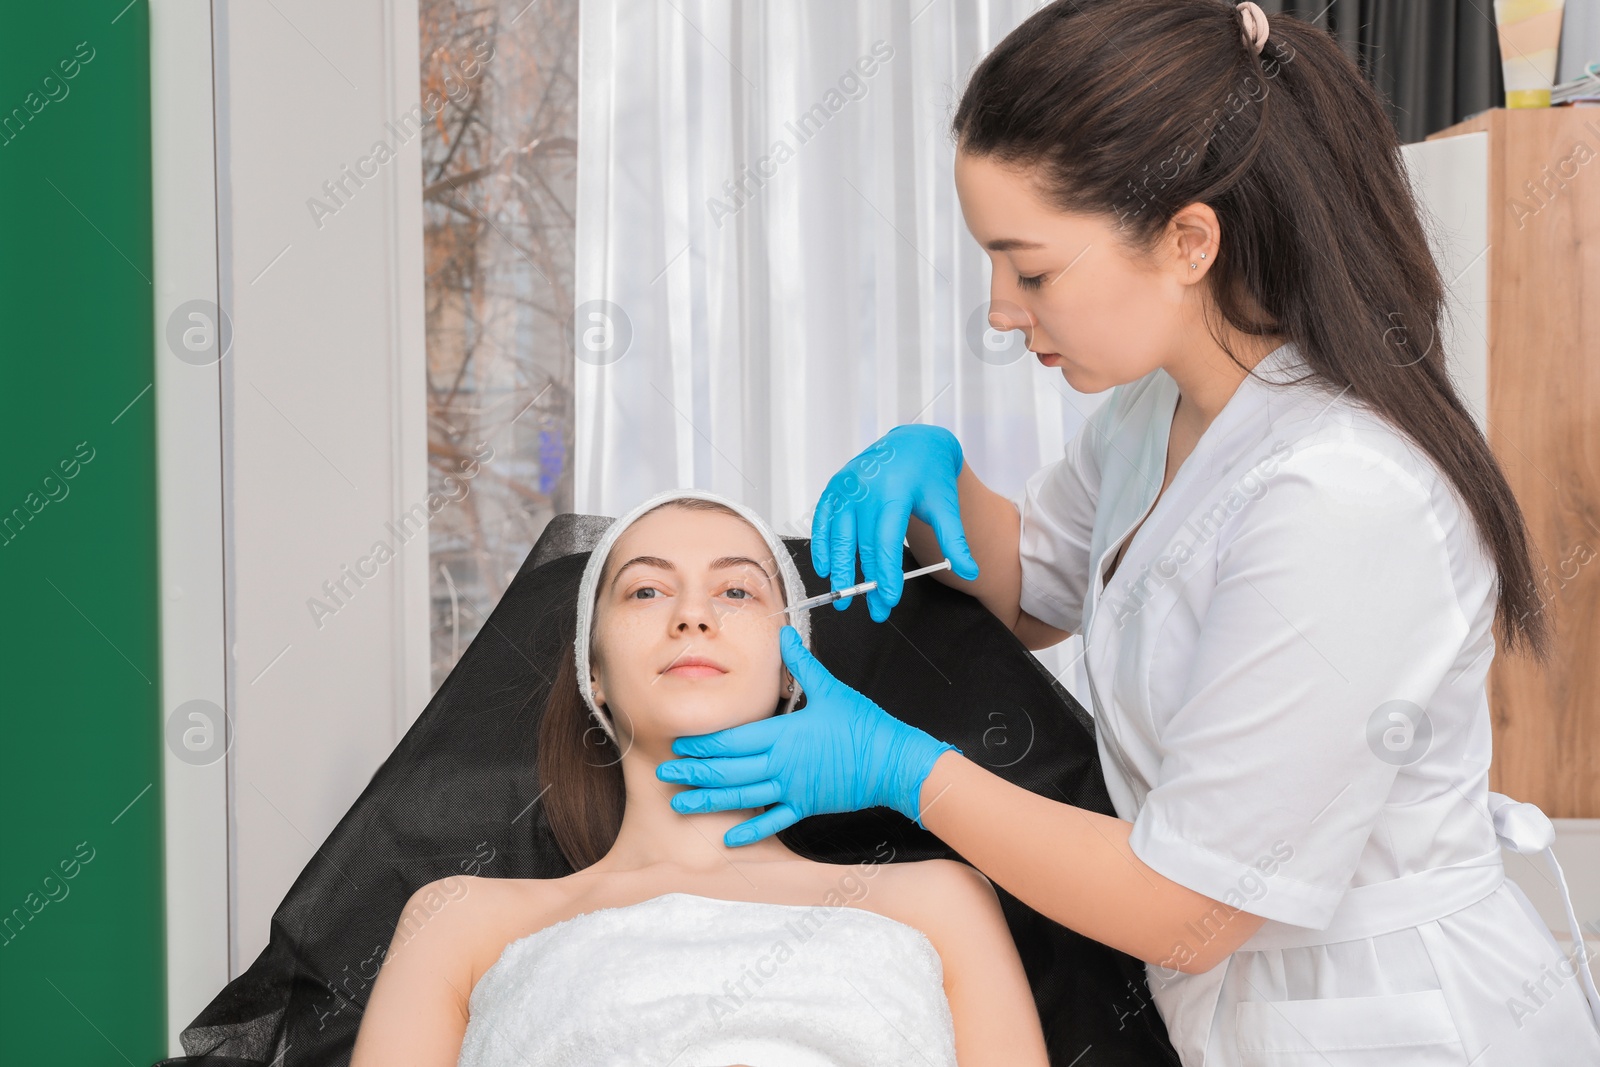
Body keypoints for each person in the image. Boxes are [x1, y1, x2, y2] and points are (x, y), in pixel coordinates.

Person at [653, 2, 1600, 1064]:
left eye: (1032, 268)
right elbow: (1039, 588)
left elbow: (1184, 904)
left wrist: (902, 767)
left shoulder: (1341, 494)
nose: (1002, 310)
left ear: (1189, 239)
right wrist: (942, 483)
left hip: (1394, 1021)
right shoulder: (1158, 410)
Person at [348, 489, 1050, 1067]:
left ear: (791, 664)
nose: (693, 615)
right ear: (591, 668)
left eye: (737, 590)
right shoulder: (458, 923)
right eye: (647, 589)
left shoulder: (942, 902)